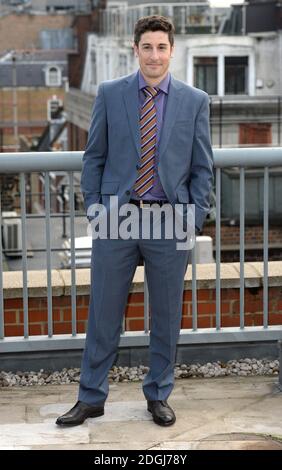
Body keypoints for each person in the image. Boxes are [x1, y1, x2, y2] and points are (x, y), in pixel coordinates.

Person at [56, 15, 213, 428]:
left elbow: (202, 168)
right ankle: (90, 397)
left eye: (162, 47)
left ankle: (158, 396)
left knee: (165, 317)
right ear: (135, 49)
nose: (155, 55)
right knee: (103, 315)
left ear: (171, 51)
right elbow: (94, 157)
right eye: (148, 47)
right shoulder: (110, 94)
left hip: (169, 221)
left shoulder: (195, 100)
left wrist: (192, 220)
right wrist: (95, 209)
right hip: (117, 220)